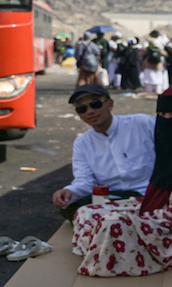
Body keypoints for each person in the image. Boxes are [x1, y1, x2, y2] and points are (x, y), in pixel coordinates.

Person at [71, 85, 172, 276]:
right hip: (157, 205)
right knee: (86, 212)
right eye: (163, 115)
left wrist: (136, 220)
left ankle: (108, 250)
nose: (168, 120)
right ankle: (106, 248)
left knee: (112, 223)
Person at [52, 84, 157, 222]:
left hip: (148, 195)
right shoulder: (82, 142)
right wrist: (69, 192)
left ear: (110, 104)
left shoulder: (143, 123)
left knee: (94, 218)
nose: (90, 111)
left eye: (95, 104)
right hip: (111, 200)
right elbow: (85, 180)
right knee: (69, 207)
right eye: (82, 108)